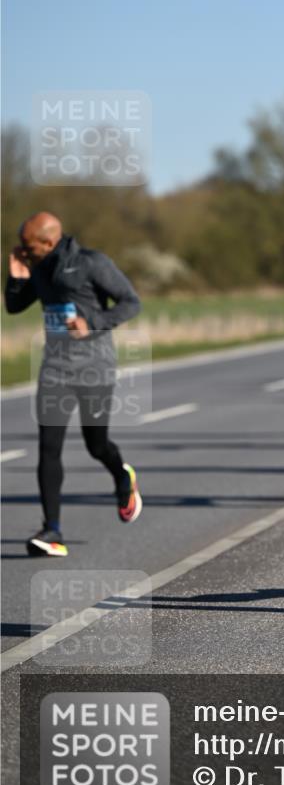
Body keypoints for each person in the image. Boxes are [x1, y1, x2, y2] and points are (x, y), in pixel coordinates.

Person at [4, 212, 143, 556]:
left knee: (96, 445)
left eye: (28, 246)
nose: (23, 250)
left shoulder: (92, 263)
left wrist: (92, 322)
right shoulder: (37, 266)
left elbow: (131, 302)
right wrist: (15, 277)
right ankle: (53, 531)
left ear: (49, 243)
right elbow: (14, 306)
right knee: (48, 448)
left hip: (94, 368)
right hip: (54, 369)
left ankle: (123, 476)